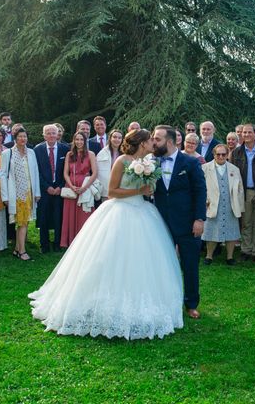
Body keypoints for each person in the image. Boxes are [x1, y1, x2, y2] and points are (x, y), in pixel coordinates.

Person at [29, 129, 184, 339]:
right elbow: (112, 192)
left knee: (140, 262)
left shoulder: (150, 161)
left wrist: (149, 187)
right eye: (149, 140)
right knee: (108, 258)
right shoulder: (122, 161)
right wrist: (139, 191)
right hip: (119, 212)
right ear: (141, 142)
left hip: (143, 214)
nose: (152, 144)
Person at [153, 125, 207, 320]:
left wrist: (199, 219)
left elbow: (200, 191)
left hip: (187, 222)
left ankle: (191, 304)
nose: (153, 142)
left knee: (190, 265)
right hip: (160, 223)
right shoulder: (152, 163)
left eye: (157, 139)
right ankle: (165, 301)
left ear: (169, 141)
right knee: (162, 264)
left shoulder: (190, 163)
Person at [1, 127, 41, 261]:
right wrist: (5, 196)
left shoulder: (31, 153)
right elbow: (3, 175)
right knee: (22, 223)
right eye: (20, 137)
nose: (23, 139)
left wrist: (37, 192)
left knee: (23, 223)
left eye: (25, 136)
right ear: (15, 138)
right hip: (15, 193)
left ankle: (18, 249)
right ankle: (22, 251)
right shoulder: (8, 153)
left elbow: (35, 173)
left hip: (29, 192)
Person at [230, 123, 255, 260]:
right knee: (246, 221)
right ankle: (246, 250)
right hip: (244, 191)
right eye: (244, 133)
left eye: (249, 132)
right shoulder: (236, 152)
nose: (246, 135)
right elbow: (232, 174)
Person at [202, 144, 244, 265]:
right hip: (212, 204)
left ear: (227, 155)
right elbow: (199, 188)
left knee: (231, 231)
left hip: (231, 205)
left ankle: (230, 257)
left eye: (223, 154)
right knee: (211, 230)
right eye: (218, 154)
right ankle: (209, 256)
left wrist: (240, 207)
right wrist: (203, 202)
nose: (220, 156)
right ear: (214, 154)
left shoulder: (234, 169)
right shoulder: (204, 168)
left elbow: (240, 189)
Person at [34, 124, 70, 253]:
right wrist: (46, 186)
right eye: (48, 133)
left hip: (60, 188)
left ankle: (57, 243)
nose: (51, 135)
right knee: (43, 217)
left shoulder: (65, 149)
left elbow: (68, 170)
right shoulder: (37, 149)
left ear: (58, 134)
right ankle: (44, 245)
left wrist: (60, 186)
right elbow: (36, 171)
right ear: (44, 135)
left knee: (58, 217)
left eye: (53, 133)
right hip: (44, 189)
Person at [60, 131, 97, 248]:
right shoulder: (69, 154)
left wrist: (84, 188)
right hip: (71, 187)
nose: (79, 142)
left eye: (81, 140)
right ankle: (70, 241)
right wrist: (71, 186)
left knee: (84, 215)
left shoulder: (90, 154)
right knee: (70, 215)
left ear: (85, 141)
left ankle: (85, 242)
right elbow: (65, 173)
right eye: (77, 140)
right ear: (74, 141)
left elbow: (95, 173)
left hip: (85, 186)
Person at [96, 129, 123, 201]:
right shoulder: (102, 153)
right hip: (106, 190)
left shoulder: (124, 153)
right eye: (114, 137)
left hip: (121, 188)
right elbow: (99, 173)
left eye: (119, 138)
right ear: (110, 138)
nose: (117, 139)